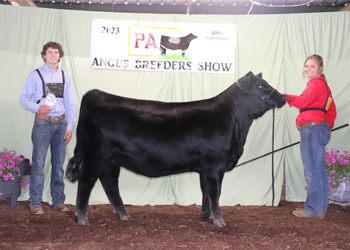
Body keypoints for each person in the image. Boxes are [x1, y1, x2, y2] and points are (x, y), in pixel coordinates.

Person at [19, 42, 76, 215]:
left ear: (60, 55)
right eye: (49, 52)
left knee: (58, 165)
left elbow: (70, 104)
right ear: (44, 55)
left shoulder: (66, 77)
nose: (52, 55)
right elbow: (24, 98)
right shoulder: (35, 75)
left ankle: (58, 201)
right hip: (43, 123)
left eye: (56, 52)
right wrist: (38, 108)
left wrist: (70, 127)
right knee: (38, 164)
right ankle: (35, 202)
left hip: (62, 124)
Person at [284, 54, 337, 218]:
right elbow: (332, 111)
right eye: (306, 66)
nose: (308, 69)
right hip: (318, 129)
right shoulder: (324, 86)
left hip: (312, 130)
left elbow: (303, 102)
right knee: (318, 171)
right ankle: (319, 209)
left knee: (312, 171)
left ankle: (313, 210)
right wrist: (325, 127)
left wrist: (285, 97)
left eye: (312, 66)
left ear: (320, 68)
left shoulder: (316, 84)